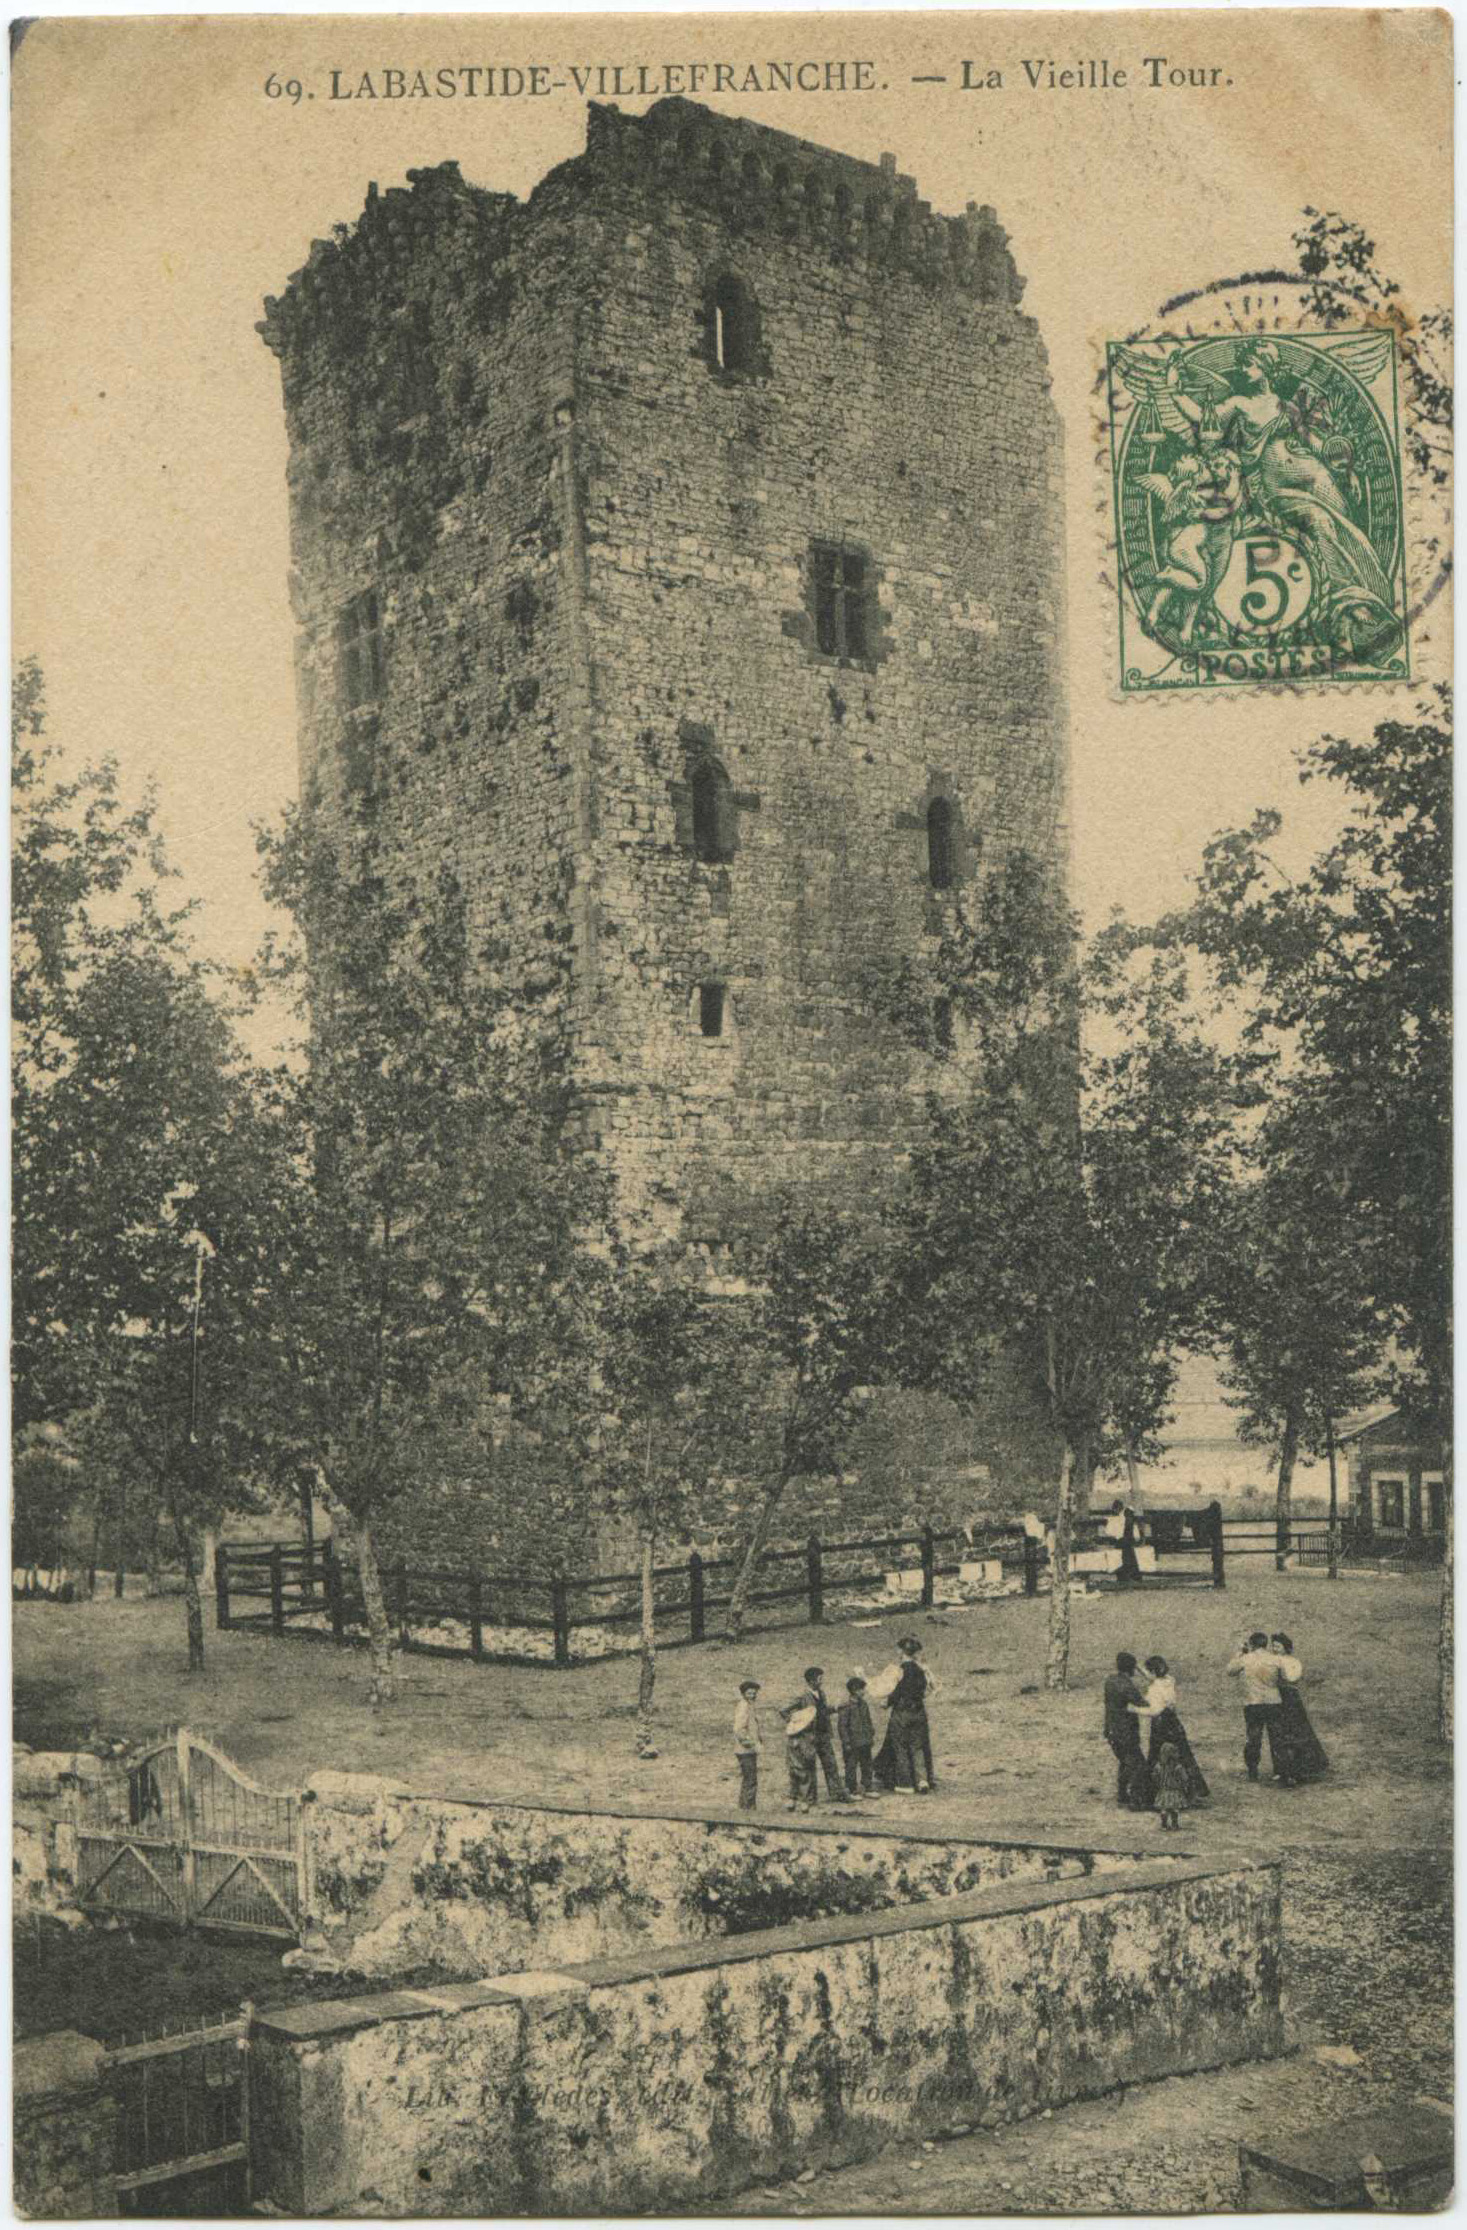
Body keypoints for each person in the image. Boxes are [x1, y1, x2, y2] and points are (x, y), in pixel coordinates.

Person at [1134, 1654, 1209, 1802]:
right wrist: (1140, 1669)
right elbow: (1153, 1678)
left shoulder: (1154, 1689)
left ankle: (1149, 1794)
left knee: (1155, 1756)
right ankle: (1196, 1790)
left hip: (1160, 1723)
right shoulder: (1170, 1680)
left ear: (1153, 1672)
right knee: (1184, 1754)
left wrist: (1133, 1709)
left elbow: (1153, 1710)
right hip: (1174, 1722)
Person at [782, 1667, 852, 1808]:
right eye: (820, 1678)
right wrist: (797, 1724)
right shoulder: (802, 1696)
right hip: (809, 1737)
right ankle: (809, 1799)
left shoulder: (821, 1693)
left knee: (831, 1764)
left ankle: (837, 1793)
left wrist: (836, 1708)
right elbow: (784, 1710)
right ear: (812, 1680)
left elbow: (823, 1710)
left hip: (823, 1735)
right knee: (808, 1767)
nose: (822, 1681)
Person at [1270, 1633, 1329, 1784]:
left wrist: (1280, 1666)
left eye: (1278, 1646)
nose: (1274, 1649)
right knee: (1277, 1733)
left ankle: (1300, 1769)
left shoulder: (1294, 1662)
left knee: (1296, 1732)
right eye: (1273, 1646)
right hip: (1275, 1697)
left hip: (1290, 1699)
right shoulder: (1272, 1660)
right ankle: (1280, 1769)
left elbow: (1292, 1678)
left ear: (1286, 1647)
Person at [1226, 1630, 1284, 1782]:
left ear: (1251, 1644)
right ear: (1265, 1644)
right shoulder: (1275, 1659)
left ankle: (1253, 1770)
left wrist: (1240, 1653)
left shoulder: (1246, 1659)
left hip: (1254, 1703)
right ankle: (1280, 1770)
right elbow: (1286, 1676)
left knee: (1253, 1737)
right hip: (1273, 1702)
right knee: (1277, 1737)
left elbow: (1230, 1670)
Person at [1103, 1650, 1150, 1808]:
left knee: (1125, 1762)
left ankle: (1123, 1794)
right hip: (1126, 1732)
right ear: (1131, 1668)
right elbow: (1143, 1703)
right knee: (1137, 1765)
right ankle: (1137, 1800)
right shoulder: (1127, 1686)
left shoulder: (1110, 1681)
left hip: (1111, 1729)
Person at [837, 1675, 877, 1799]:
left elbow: (868, 1721)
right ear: (854, 1690)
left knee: (867, 1764)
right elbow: (842, 1727)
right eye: (861, 1690)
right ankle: (852, 1789)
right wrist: (846, 1743)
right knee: (851, 1766)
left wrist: (870, 1734)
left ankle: (868, 1787)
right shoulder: (846, 1706)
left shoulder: (864, 1704)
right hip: (852, 1743)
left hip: (865, 1741)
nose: (863, 1692)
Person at [732, 1677, 762, 1811]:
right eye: (750, 1693)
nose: (753, 1695)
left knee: (749, 1779)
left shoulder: (749, 1705)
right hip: (745, 1750)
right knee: (750, 1780)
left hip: (748, 1750)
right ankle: (748, 1809)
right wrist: (752, 1745)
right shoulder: (743, 1706)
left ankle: (746, 1807)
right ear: (743, 1693)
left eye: (754, 1692)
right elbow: (739, 1730)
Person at [1153, 1740, 1190, 1832]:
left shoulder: (1158, 1766)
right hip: (1175, 1791)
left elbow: (1154, 1776)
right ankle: (1174, 1824)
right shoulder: (1178, 1767)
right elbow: (1185, 1778)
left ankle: (1164, 1825)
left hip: (1163, 1790)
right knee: (1174, 1809)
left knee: (1164, 1809)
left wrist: (1158, 1783)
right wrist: (1183, 1785)